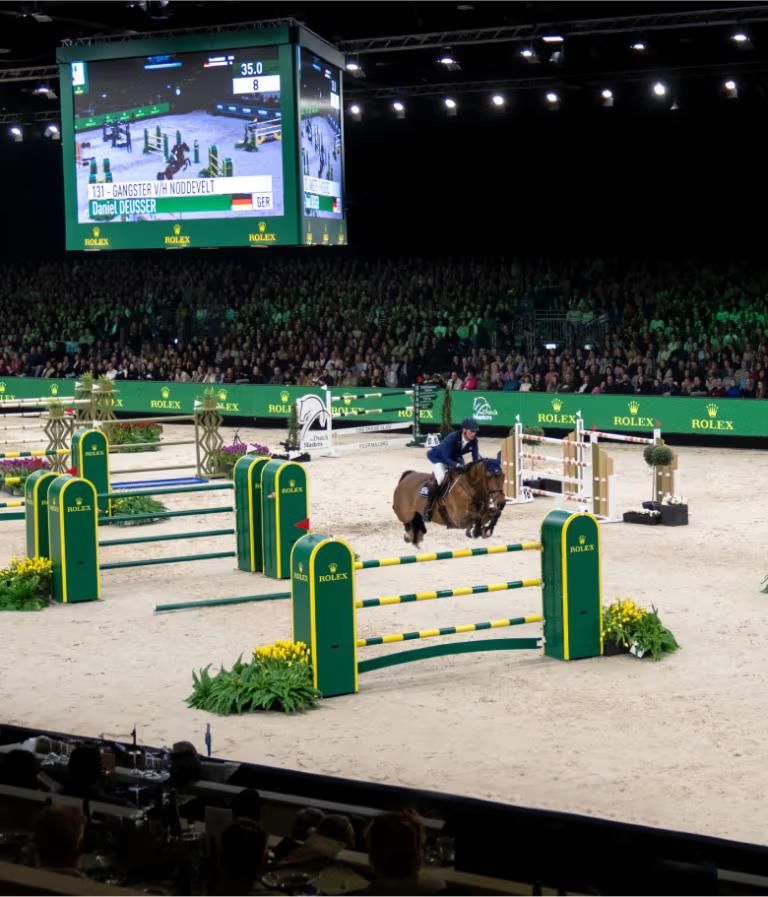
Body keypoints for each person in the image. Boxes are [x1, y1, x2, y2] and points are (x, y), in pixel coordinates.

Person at [423, 418, 480, 522]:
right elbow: (445, 458)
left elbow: (475, 457)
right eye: (471, 431)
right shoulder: (452, 438)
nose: (473, 434)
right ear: (464, 430)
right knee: (440, 479)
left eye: (475, 432)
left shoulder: (474, 441)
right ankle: (428, 508)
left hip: (454, 457)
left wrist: (477, 468)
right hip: (439, 457)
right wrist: (457, 465)